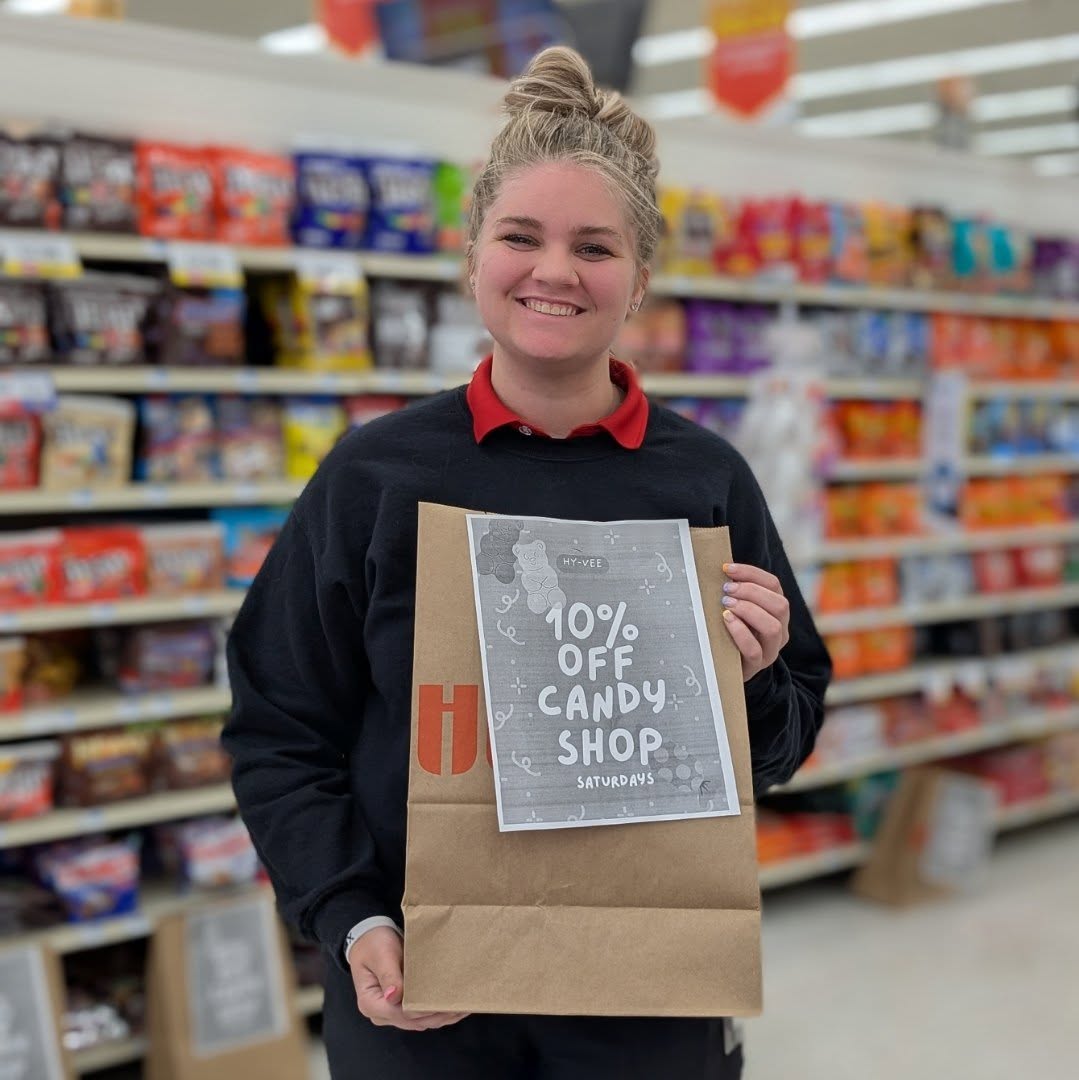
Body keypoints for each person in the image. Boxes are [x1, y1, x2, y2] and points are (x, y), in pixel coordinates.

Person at [223, 45, 831, 1080]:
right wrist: (351, 915)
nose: (554, 271)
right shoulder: (376, 477)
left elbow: (780, 746)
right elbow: (280, 726)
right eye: (520, 237)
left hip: (645, 999)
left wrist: (759, 673)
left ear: (639, 280)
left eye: (594, 246)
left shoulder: (703, 480)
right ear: (473, 259)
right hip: (426, 996)